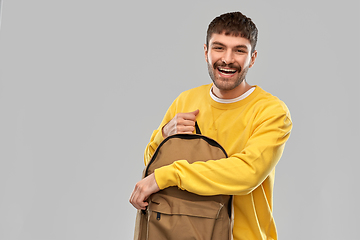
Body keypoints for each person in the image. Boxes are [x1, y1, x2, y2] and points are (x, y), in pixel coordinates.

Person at [129, 11, 292, 240]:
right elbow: (153, 163)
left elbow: (247, 173)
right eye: (219, 47)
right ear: (206, 52)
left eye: (239, 50)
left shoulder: (271, 111)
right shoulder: (185, 100)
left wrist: (169, 175)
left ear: (252, 58)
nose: (227, 58)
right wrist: (164, 134)